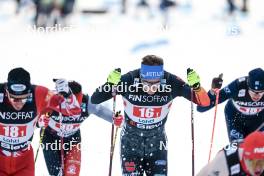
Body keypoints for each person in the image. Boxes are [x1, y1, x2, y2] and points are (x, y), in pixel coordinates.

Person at [91, 55, 210, 176]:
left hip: (158, 144)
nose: (151, 89)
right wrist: (110, 84)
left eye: (156, 84)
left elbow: (205, 102)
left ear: (161, 78)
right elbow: (95, 99)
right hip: (130, 142)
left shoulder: (171, 82)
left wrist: (197, 88)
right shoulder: (129, 80)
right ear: (141, 77)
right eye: (146, 83)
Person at [0, 67, 80, 176]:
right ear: (7, 91)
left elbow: (73, 111)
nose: (18, 103)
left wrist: (67, 94)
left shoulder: (39, 93)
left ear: (29, 92)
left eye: (24, 98)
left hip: (24, 163)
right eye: (13, 98)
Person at [39, 80, 123, 176]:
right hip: (50, 138)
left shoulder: (87, 103)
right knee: (57, 174)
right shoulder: (52, 100)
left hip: (73, 139)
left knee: (72, 173)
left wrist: (116, 119)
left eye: (77, 103)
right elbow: (34, 116)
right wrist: (41, 121)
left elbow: (101, 111)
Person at [197, 68, 264, 142]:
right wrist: (212, 92)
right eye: (253, 92)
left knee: (258, 147)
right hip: (236, 117)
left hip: (259, 119)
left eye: (260, 92)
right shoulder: (238, 85)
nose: (256, 96)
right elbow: (201, 108)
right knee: (239, 148)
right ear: (247, 86)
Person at [197, 131, 264, 176]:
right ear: (245, 157)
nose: (258, 168)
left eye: (262, 162)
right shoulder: (224, 162)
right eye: (252, 162)